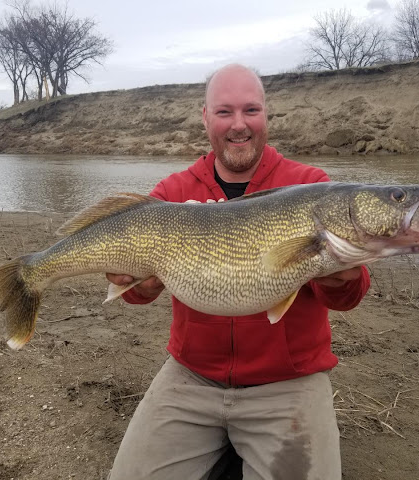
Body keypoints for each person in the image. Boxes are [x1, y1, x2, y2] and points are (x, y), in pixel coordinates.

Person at [107, 64, 370, 480]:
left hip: (289, 382)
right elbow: (138, 295)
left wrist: (346, 276)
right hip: (191, 376)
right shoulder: (172, 194)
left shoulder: (311, 186)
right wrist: (130, 282)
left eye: (251, 110)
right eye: (225, 112)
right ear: (205, 117)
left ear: (266, 114)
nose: (239, 125)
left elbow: (347, 297)